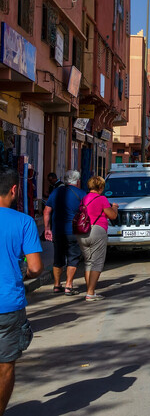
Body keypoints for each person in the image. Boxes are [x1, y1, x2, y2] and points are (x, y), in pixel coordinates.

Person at [0, 166, 43, 414]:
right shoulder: (24, 222)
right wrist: (24, 271)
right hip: (8, 306)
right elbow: (36, 268)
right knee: (5, 366)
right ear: (15, 190)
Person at [43, 170, 86, 296]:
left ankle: (57, 285)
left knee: (58, 258)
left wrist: (47, 228)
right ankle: (68, 285)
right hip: (73, 231)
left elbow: (46, 211)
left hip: (58, 231)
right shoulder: (81, 193)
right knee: (73, 258)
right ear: (77, 181)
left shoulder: (56, 192)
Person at [77, 176, 118, 302]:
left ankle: (90, 290)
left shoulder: (84, 198)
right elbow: (112, 216)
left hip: (82, 232)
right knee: (97, 262)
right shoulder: (102, 199)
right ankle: (90, 292)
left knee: (88, 262)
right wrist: (115, 207)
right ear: (100, 188)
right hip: (97, 230)